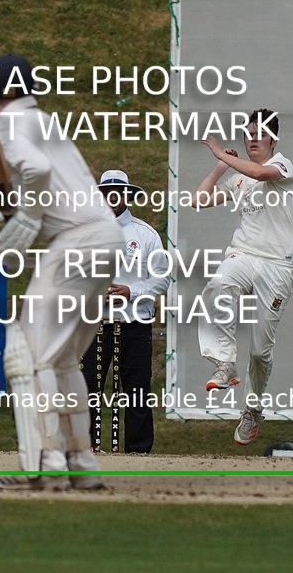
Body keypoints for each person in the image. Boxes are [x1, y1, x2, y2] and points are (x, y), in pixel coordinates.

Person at [0, 53, 124, 491]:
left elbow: (38, 172)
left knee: (30, 354)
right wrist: (21, 214)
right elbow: (53, 182)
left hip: (77, 244)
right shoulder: (46, 122)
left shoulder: (8, 124)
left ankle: (43, 463)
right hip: (108, 238)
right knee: (62, 359)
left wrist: (24, 219)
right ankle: (80, 463)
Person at [192, 109, 293, 445]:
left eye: (259, 134)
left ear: (273, 140)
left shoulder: (281, 165)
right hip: (244, 254)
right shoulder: (238, 176)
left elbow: (259, 173)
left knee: (260, 352)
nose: (252, 138)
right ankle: (224, 362)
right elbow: (198, 200)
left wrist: (224, 154)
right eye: (248, 133)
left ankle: (252, 408)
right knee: (219, 283)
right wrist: (220, 166)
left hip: (278, 264)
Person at [80, 170, 170, 454]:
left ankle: (138, 450)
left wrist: (131, 291)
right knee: (88, 388)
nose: (113, 197)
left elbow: (163, 277)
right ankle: (86, 447)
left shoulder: (144, 233)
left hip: (134, 322)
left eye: (119, 191)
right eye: (108, 192)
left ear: (127, 194)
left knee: (136, 391)